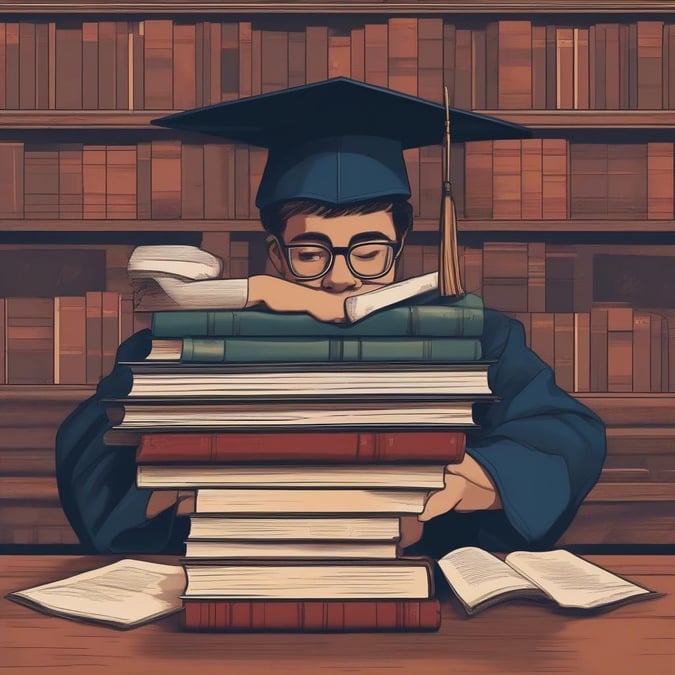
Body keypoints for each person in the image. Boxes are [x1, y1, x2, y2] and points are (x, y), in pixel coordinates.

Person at [55, 78, 606, 556]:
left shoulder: (470, 335)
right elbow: (90, 450)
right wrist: (189, 487)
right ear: (275, 254)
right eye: (312, 253)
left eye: (368, 251)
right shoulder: (199, 340)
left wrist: (476, 480)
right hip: (230, 566)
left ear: (401, 244)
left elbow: (566, 433)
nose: (342, 278)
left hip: (417, 570)